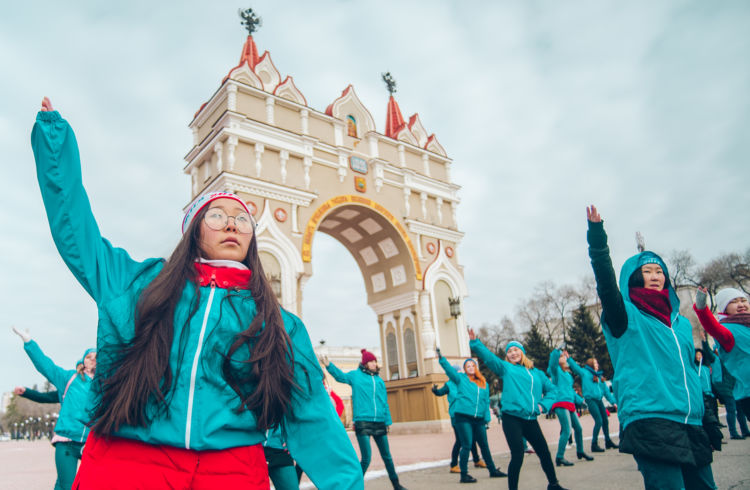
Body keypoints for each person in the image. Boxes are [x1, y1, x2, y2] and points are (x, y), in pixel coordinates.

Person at [30, 99, 362, 489]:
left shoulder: (278, 324)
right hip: (130, 463)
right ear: (194, 231)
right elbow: (77, 234)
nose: (232, 225)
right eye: (217, 216)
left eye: (242, 219)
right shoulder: (141, 285)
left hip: (231, 472)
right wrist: (54, 141)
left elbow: (312, 416)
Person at [586, 205, 716, 490]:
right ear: (635, 276)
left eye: (660, 271)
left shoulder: (680, 324)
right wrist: (597, 241)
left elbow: (689, 373)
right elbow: (606, 285)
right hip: (651, 419)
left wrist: (706, 414)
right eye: (648, 271)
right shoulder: (625, 316)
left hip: (691, 421)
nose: (656, 276)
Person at [469, 331, 567, 490]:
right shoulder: (506, 368)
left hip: (530, 419)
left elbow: (552, 391)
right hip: (512, 418)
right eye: (509, 351)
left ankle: (553, 484)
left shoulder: (537, 373)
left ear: (522, 352)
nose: (513, 353)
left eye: (515, 350)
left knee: (544, 452)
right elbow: (489, 358)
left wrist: (543, 406)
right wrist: (475, 343)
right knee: (518, 455)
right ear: (507, 357)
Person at [12, 326, 96, 490]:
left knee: (87, 483)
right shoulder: (70, 379)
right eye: (89, 356)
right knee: (67, 486)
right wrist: (29, 342)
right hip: (67, 442)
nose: (93, 359)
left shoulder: (104, 384)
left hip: (91, 443)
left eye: (96, 357)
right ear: (83, 361)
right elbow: (46, 367)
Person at [322, 349, 406, 490]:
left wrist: (387, 422)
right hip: (363, 422)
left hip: (379, 422)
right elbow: (340, 377)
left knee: (387, 457)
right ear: (365, 363)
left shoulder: (379, 381)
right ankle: (354, 486)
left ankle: (396, 485)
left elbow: (384, 403)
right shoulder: (355, 376)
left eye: (375, 361)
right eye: (371, 361)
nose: (374, 363)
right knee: (366, 459)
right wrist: (329, 365)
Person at [436, 350, 507, 483]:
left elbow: (486, 402)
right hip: (463, 417)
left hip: (479, 419)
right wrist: (442, 359)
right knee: (467, 444)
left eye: (472, 365)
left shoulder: (483, 383)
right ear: (464, 369)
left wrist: (487, 419)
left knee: (484, 445)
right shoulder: (460, 379)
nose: (470, 367)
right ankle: (464, 474)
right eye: (467, 366)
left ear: (476, 368)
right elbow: (450, 371)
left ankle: (492, 470)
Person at [693, 287, 750, 424]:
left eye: (743, 300)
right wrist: (701, 307)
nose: (741, 304)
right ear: (725, 308)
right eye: (734, 302)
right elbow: (711, 326)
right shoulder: (727, 331)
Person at [547, 348, 593, 466]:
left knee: (578, 428)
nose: (564, 357)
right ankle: (560, 457)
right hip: (561, 403)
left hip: (570, 403)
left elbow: (570, 391)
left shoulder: (567, 374)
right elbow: (552, 363)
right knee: (567, 430)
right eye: (562, 356)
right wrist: (557, 351)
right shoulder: (555, 371)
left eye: (564, 356)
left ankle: (580, 451)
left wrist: (580, 401)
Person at [566, 355, 617, 452]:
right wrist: (569, 358)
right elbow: (576, 368)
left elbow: (606, 391)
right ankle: (594, 444)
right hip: (591, 400)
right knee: (599, 420)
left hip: (599, 400)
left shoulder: (598, 376)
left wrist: (613, 402)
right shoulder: (585, 373)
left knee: (605, 420)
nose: (597, 365)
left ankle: (608, 441)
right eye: (595, 363)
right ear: (591, 364)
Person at [431, 379, 484, 473]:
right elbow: (440, 393)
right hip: (456, 415)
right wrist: (435, 390)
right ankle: (454, 465)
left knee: (472, 438)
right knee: (460, 440)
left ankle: (476, 460)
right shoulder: (449, 385)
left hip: (467, 414)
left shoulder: (464, 383)